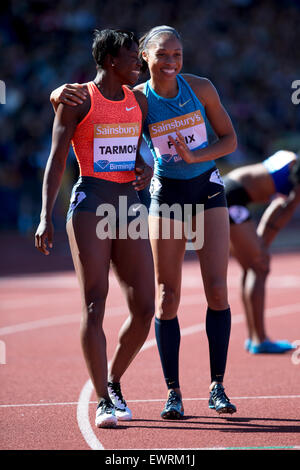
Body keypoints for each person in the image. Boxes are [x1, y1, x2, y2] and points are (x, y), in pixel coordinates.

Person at [50, 25, 238, 419]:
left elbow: (229, 141)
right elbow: (100, 106)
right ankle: (173, 393)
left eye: (178, 55)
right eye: (162, 56)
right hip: (164, 195)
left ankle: (217, 386)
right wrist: (56, 94)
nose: (171, 62)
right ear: (146, 59)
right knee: (166, 296)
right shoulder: (137, 97)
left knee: (218, 290)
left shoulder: (200, 88)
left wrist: (196, 158)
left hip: (207, 191)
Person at [35, 29, 155, 428]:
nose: (139, 64)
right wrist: (44, 216)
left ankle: (114, 380)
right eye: (131, 58)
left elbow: (144, 146)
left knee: (144, 309)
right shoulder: (77, 99)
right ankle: (103, 401)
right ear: (109, 61)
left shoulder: (139, 98)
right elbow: (56, 161)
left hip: (130, 206)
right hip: (92, 205)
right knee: (95, 302)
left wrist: (146, 164)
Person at [223, 150, 300, 354]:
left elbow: (278, 203)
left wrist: (262, 244)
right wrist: (262, 247)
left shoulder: (290, 158)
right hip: (232, 197)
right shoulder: (296, 169)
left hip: (230, 192)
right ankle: (259, 339)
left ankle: (254, 337)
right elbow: (285, 207)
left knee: (253, 267)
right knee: (259, 267)